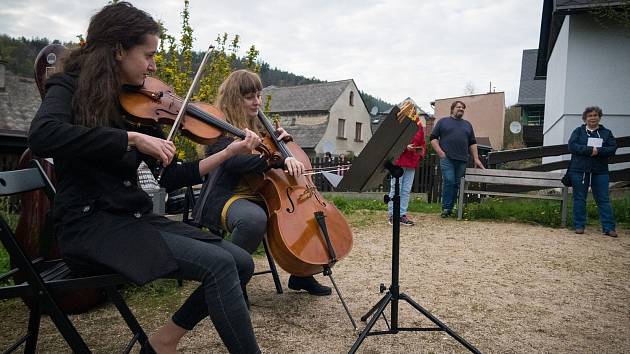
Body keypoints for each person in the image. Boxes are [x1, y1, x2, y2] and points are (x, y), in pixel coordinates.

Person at [27, 3, 261, 353]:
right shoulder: (68, 86)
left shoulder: (131, 104)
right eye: (148, 55)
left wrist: (227, 153)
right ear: (118, 49)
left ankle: (163, 340)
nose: (153, 66)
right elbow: (42, 135)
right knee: (218, 266)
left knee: (240, 262)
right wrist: (130, 139)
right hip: (91, 228)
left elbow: (166, 180)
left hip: (132, 218)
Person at [195, 69, 332, 296]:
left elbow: (276, 158)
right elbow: (232, 162)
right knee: (253, 220)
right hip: (228, 196)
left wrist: (285, 142)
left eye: (258, 95)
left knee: (303, 218)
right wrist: (273, 159)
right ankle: (230, 283)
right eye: (250, 97)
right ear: (234, 98)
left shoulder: (260, 127)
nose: (257, 101)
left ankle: (302, 273)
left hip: (261, 195)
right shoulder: (219, 128)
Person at [568, 106, 617, 237]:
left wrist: (599, 151)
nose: (593, 118)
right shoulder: (578, 131)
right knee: (579, 198)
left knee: (603, 199)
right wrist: (589, 150)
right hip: (580, 170)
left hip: (600, 170)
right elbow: (572, 146)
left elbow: (612, 148)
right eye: (590, 116)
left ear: (599, 117)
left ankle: (609, 227)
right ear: (585, 118)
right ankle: (579, 225)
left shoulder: (607, 133)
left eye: (595, 115)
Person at [430, 100, 485, 218]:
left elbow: (472, 143)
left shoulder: (467, 125)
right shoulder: (443, 122)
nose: (461, 109)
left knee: (456, 184)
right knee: (449, 181)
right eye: (458, 107)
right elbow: (433, 138)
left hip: (462, 159)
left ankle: (451, 208)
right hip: (447, 158)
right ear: (452, 109)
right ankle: (446, 208)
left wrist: (476, 158)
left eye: (463, 108)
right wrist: (440, 152)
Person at [387, 119, 426, 226]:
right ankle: (392, 214)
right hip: (399, 160)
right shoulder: (400, 122)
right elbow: (394, 140)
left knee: (406, 190)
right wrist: (405, 146)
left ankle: (402, 214)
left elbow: (422, 143)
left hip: (412, 161)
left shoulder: (419, 126)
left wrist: (420, 152)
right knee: (395, 188)